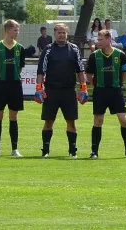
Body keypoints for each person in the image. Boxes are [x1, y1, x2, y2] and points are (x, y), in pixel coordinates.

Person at [35, 23, 87, 158]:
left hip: (69, 91)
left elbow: (80, 70)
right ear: (55, 33)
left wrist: (83, 87)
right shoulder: (48, 50)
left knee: (71, 122)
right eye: (59, 33)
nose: (62, 35)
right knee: (48, 121)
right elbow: (41, 71)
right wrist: (39, 88)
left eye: (64, 33)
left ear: (67, 33)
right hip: (51, 91)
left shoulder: (74, 49)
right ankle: (45, 151)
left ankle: (72, 151)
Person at [85, 30, 126, 158]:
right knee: (98, 120)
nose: (98, 42)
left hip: (116, 91)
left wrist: (116, 85)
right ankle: (94, 152)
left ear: (108, 39)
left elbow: (124, 75)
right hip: (100, 92)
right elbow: (89, 75)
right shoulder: (94, 56)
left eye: (100, 40)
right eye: (97, 40)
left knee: (123, 120)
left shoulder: (120, 55)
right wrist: (95, 85)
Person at [0, 20, 25, 157]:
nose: (17, 32)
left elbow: (20, 67)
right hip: (0, 85)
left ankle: (14, 149)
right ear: (8, 30)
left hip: (15, 85)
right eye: (15, 30)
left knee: (13, 116)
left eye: (18, 30)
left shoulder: (20, 48)